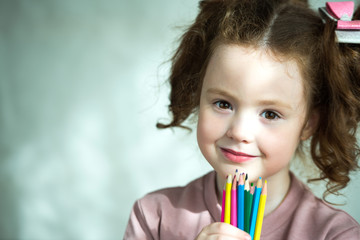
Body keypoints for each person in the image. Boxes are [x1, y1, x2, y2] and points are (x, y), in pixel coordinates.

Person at [124, 0, 360, 239]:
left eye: (270, 114)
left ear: (309, 123)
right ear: (197, 94)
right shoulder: (154, 217)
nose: (239, 132)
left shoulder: (336, 234)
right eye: (223, 104)